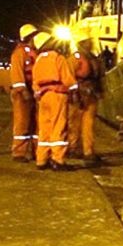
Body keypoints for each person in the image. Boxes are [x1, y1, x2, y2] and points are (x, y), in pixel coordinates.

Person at [30, 31, 76, 171]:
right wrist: (74, 89)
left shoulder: (38, 60)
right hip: (58, 95)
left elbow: (35, 81)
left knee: (44, 128)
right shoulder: (57, 57)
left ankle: (41, 159)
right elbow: (67, 78)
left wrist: (38, 93)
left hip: (43, 97)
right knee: (58, 126)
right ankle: (58, 160)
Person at [67, 38, 103, 166]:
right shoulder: (76, 58)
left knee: (88, 124)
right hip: (80, 94)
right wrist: (74, 93)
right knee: (74, 123)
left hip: (89, 93)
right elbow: (69, 77)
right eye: (88, 43)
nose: (90, 45)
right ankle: (73, 148)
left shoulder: (91, 58)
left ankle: (88, 151)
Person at [8, 24, 39, 163]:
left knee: (36, 123)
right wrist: (23, 90)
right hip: (22, 92)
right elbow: (17, 75)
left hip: (34, 90)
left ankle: (35, 151)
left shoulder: (36, 52)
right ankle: (19, 152)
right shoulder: (19, 53)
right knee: (22, 122)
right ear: (29, 37)